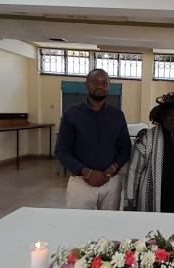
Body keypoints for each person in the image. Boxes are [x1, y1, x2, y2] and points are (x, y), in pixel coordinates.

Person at [55, 68, 131, 210]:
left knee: (108, 226)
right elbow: (62, 151)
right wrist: (87, 172)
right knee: (79, 226)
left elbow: (125, 148)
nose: (100, 86)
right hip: (81, 183)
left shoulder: (117, 115)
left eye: (104, 83)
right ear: (86, 84)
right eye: (95, 82)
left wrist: (110, 170)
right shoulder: (72, 114)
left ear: (108, 86)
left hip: (110, 182)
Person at [125, 93, 174, 213]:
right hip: (155, 201)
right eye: (170, 115)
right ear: (162, 116)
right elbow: (134, 170)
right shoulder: (147, 137)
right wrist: (130, 201)